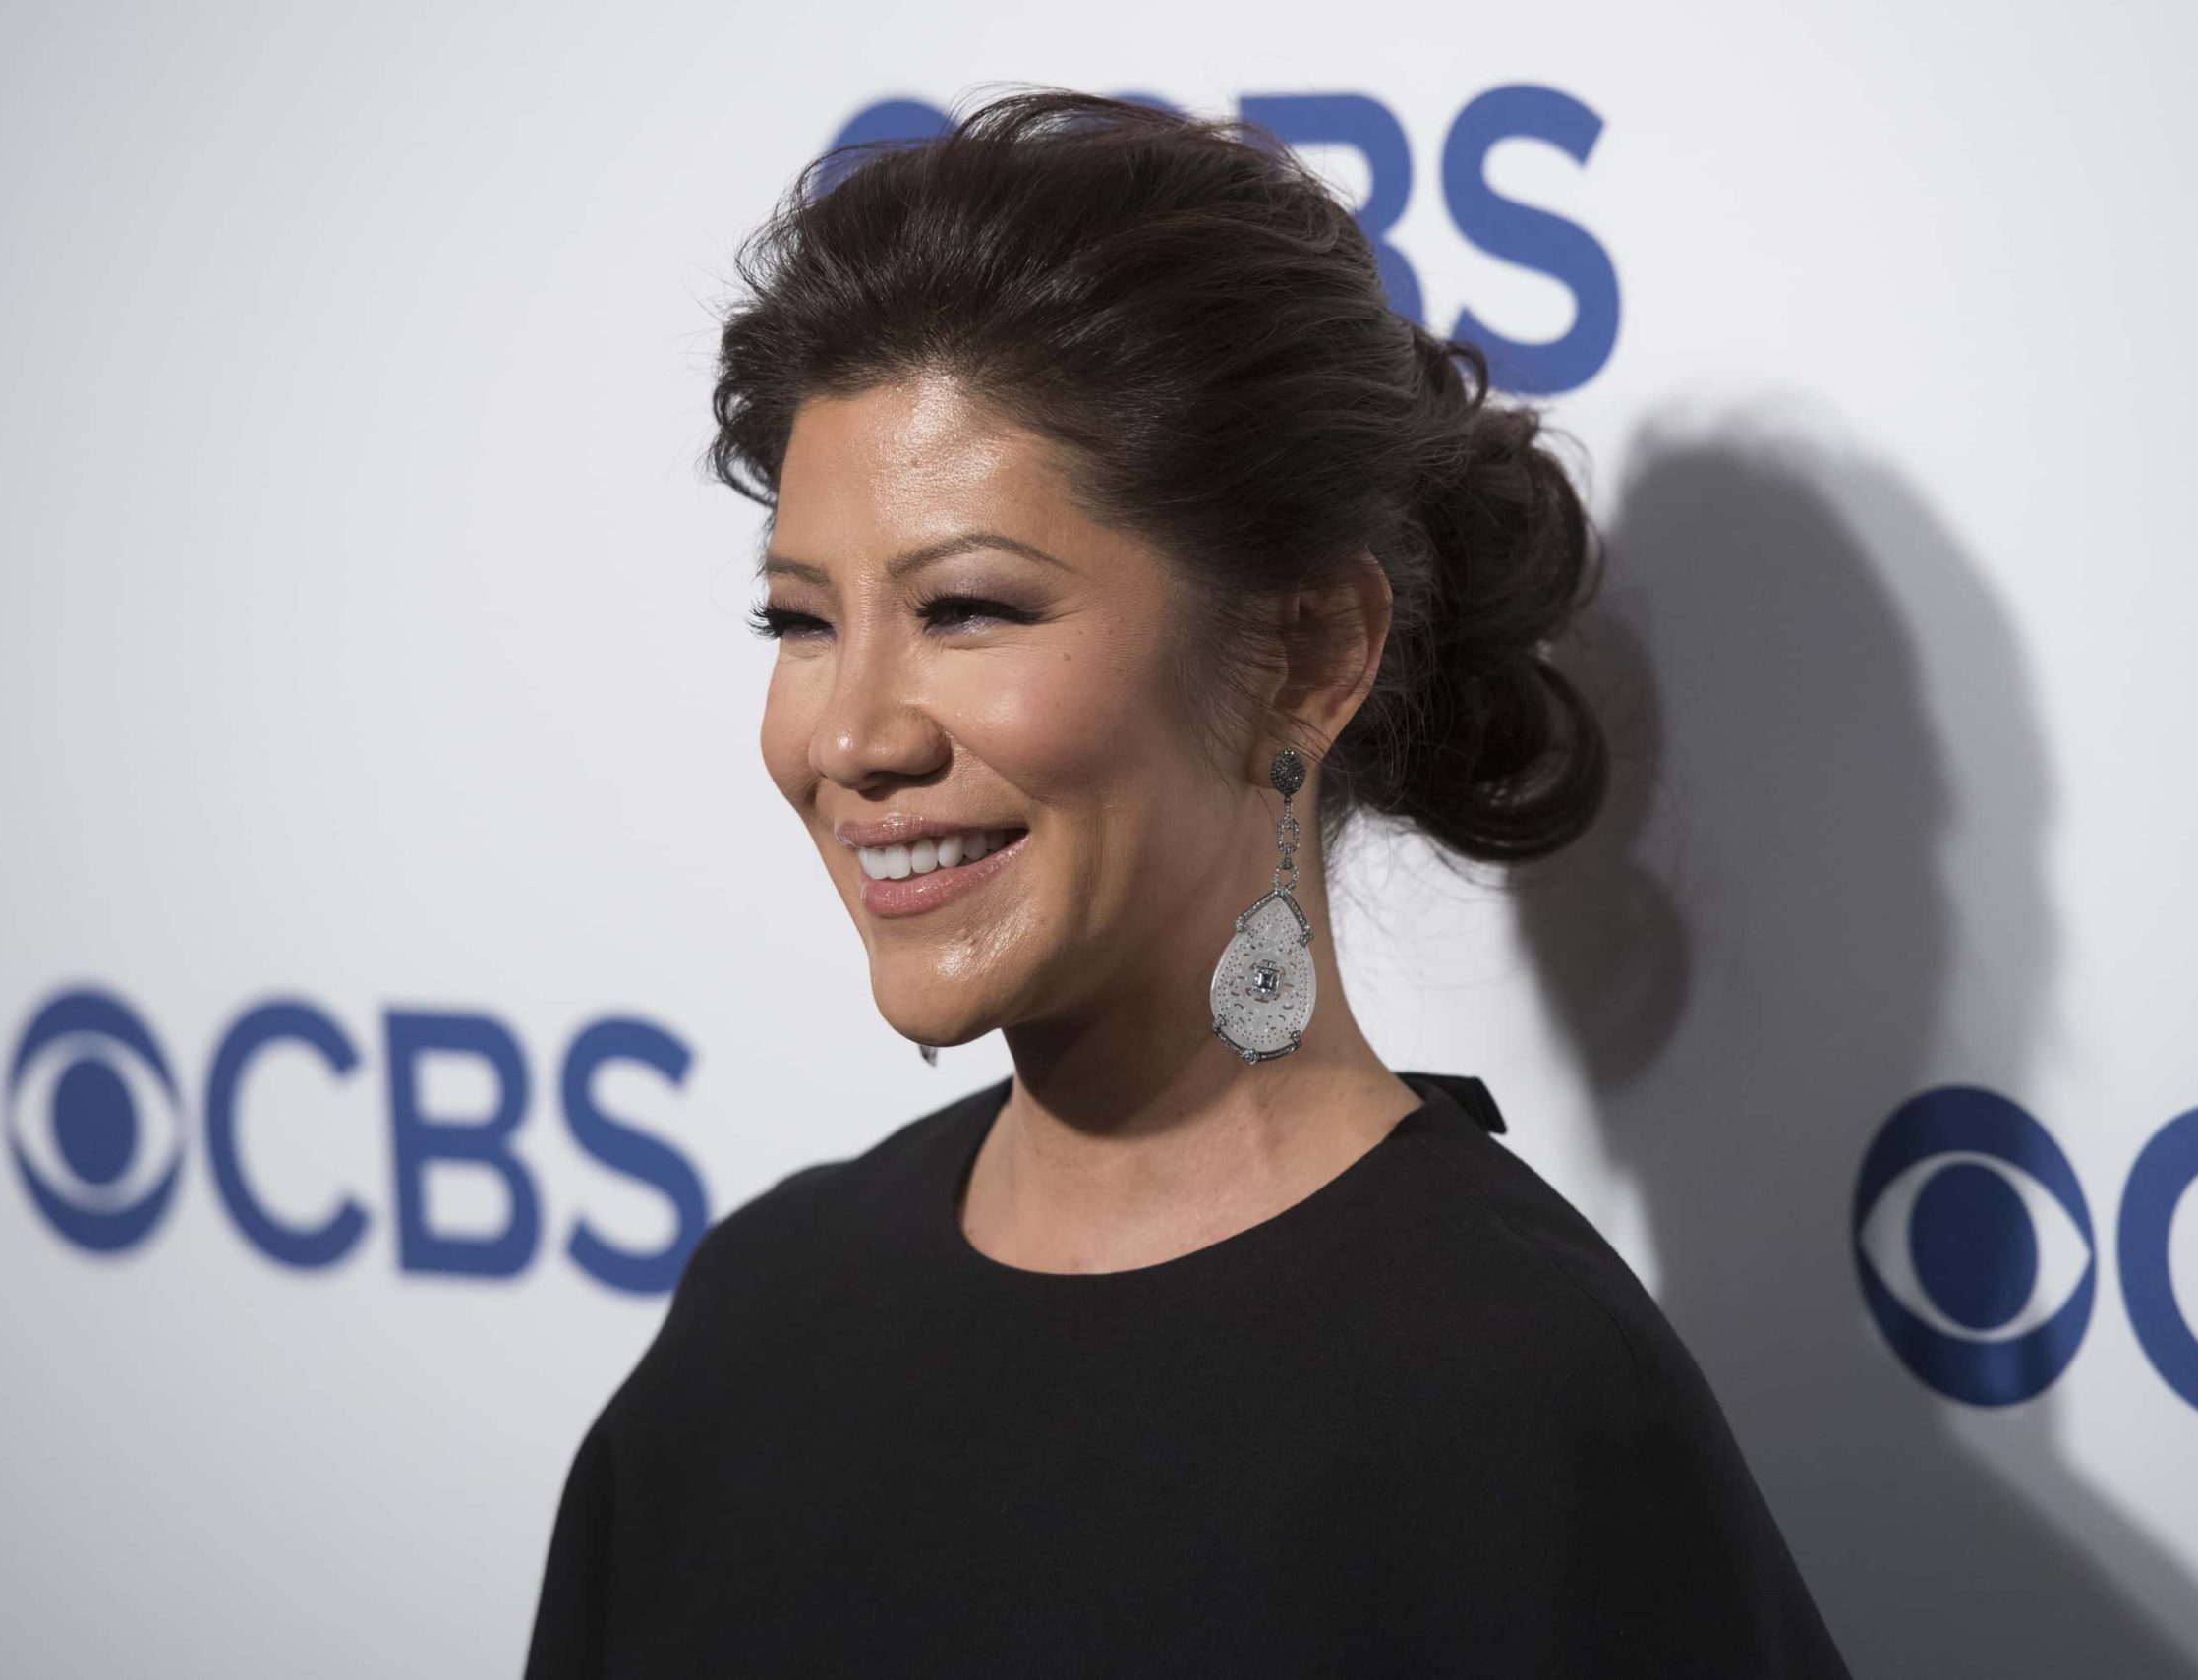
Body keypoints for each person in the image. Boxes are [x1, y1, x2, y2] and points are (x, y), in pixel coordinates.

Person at [523, 87, 1851, 1677]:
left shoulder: (1520, 1399)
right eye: (801, 622)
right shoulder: (760, 1315)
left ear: (1307, 652)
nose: (853, 736)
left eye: (967, 607)